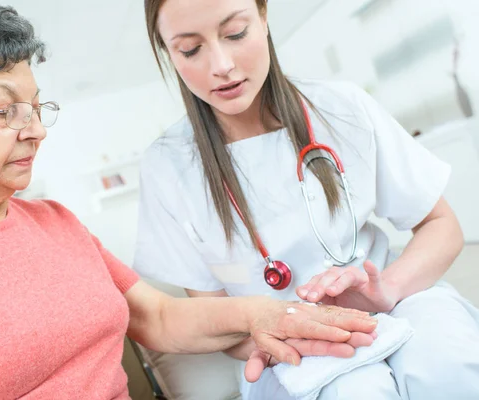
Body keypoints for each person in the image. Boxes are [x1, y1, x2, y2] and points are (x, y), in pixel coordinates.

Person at [0, 2, 379, 399]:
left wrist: (266, 315)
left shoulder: (55, 221)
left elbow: (158, 318)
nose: (35, 131)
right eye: (6, 110)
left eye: (36, 108)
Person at [133, 0, 479, 399]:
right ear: (167, 51)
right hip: (285, 345)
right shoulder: (168, 166)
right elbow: (213, 318)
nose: (221, 64)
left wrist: (389, 289)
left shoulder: (342, 108)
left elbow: (440, 224)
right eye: (190, 49)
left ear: (263, 18)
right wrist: (276, 339)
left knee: (448, 367)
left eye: (235, 33)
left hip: (398, 302)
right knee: (356, 391)